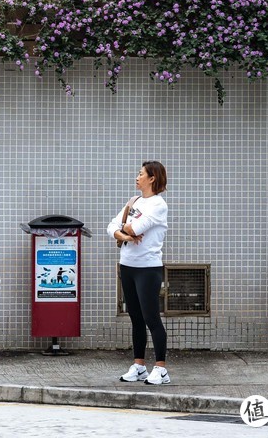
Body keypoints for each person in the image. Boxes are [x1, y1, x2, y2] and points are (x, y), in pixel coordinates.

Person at [107, 160, 169, 386]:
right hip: (128, 265)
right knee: (135, 319)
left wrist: (126, 229)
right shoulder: (133, 201)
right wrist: (125, 236)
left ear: (152, 178)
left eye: (141, 174)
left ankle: (161, 368)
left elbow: (134, 227)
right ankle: (139, 366)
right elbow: (111, 227)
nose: (137, 176)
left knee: (151, 318)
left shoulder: (158, 205)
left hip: (148, 268)